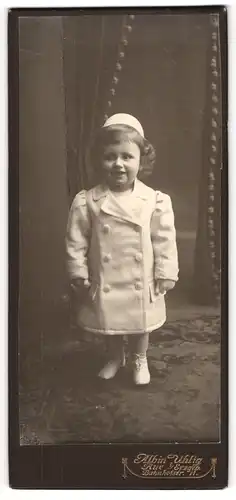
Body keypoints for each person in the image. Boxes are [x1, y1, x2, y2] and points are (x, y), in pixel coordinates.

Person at [66, 113, 179, 385]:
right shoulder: (88, 201)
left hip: (142, 278)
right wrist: (77, 271)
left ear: (141, 161)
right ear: (99, 161)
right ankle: (116, 356)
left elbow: (164, 239)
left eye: (127, 157)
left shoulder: (154, 201)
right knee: (111, 320)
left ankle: (140, 357)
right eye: (110, 157)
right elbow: (76, 240)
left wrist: (166, 271)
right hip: (106, 276)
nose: (118, 164)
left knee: (140, 321)